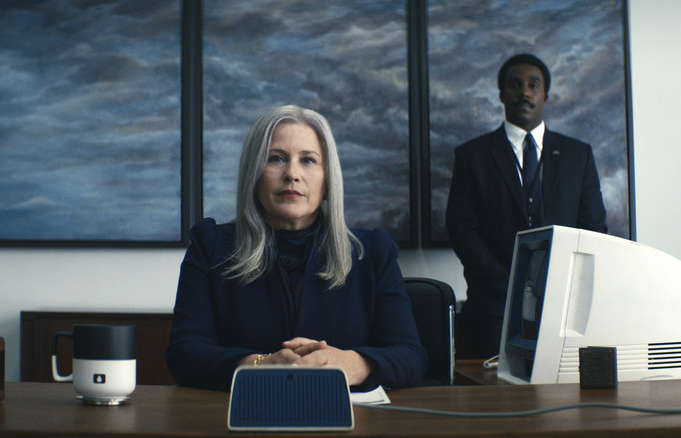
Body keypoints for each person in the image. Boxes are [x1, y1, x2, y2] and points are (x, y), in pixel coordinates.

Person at [166, 105, 427, 391]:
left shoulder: (373, 252)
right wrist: (258, 365)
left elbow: (411, 357)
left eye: (308, 161)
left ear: (328, 180)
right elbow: (183, 354)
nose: (292, 174)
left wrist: (351, 364)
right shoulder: (210, 245)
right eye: (276, 159)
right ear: (254, 173)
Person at [445, 54, 607, 359]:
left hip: (566, 307)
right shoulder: (473, 156)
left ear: (545, 95)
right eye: (515, 85)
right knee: (496, 400)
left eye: (534, 85)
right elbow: (461, 228)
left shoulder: (578, 155)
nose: (525, 92)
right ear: (502, 95)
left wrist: (563, 279)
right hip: (494, 306)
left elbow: (594, 228)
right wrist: (508, 280)